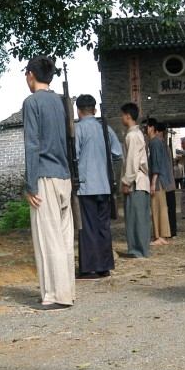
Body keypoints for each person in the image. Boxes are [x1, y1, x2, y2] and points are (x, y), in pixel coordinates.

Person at [22, 56, 75, 310]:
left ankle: (53, 295)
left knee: (47, 238)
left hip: (44, 175)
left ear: (31, 74)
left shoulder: (32, 102)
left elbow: (32, 144)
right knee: (64, 238)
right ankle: (67, 292)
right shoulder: (60, 102)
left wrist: (30, 183)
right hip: (64, 176)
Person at [74, 94, 123, 279]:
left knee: (87, 228)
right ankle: (104, 267)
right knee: (103, 226)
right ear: (94, 110)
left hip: (86, 186)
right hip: (105, 185)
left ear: (78, 110)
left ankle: (88, 268)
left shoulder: (78, 129)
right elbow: (118, 154)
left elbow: (75, 157)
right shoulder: (105, 128)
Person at [120, 102, 151, 258]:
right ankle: (142, 248)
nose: (121, 118)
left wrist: (126, 181)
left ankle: (137, 250)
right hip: (141, 180)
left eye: (122, 115)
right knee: (142, 217)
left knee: (135, 217)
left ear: (128, 116)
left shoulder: (132, 135)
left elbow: (132, 161)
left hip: (136, 182)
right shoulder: (139, 134)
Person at [146, 118, 172, 246]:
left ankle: (161, 236)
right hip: (160, 179)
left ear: (151, 128)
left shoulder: (155, 142)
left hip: (158, 180)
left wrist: (152, 183)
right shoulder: (157, 142)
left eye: (146, 127)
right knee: (160, 207)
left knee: (158, 208)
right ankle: (162, 235)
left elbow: (156, 165)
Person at [157, 123, 178, 238]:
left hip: (165, 183)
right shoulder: (164, 145)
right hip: (169, 182)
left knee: (167, 208)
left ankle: (170, 231)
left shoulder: (161, 145)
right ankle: (172, 231)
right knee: (170, 208)